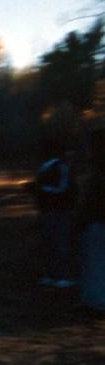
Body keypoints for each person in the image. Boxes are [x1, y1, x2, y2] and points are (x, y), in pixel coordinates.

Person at [33, 151, 78, 288]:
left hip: (45, 210)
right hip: (59, 210)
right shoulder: (60, 167)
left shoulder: (44, 167)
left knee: (49, 242)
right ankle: (62, 276)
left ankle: (49, 275)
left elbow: (40, 188)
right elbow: (63, 188)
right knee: (61, 242)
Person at [80, 127, 105, 311]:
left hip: (97, 221)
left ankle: (95, 300)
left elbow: (92, 199)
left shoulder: (97, 172)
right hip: (96, 220)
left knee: (94, 262)